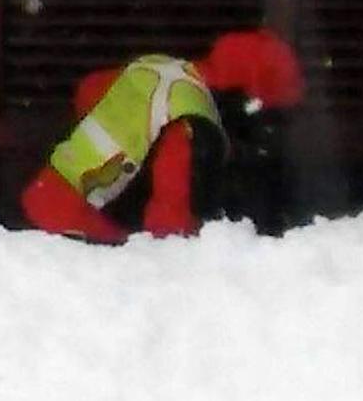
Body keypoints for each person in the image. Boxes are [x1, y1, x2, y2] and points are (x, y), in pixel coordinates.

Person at [20, 28, 306, 243]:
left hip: (44, 201)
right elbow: (169, 222)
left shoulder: (161, 68)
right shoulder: (194, 120)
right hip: (80, 230)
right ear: (248, 102)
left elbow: (89, 89)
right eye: (270, 117)